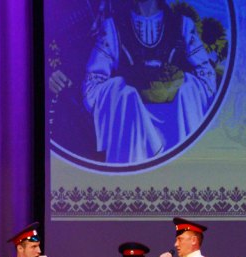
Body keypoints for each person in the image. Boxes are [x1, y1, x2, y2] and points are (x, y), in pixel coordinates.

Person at [82, 0, 217, 164]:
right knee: (120, 90)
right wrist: (126, 87)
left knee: (189, 87)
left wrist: (176, 85)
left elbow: (206, 80)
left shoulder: (182, 25)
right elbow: (92, 86)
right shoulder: (114, 27)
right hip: (130, 123)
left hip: (176, 118)